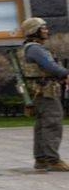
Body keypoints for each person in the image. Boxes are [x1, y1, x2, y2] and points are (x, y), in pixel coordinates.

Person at [19, 17, 69, 172]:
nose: (46, 31)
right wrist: (65, 73)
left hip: (41, 92)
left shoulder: (30, 48)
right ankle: (52, 160)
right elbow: (51, 67)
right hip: (46, 92)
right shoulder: (35, 49)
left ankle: (41, 159)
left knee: (42, 125)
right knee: (52, 123)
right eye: (43, 28)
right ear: (34, 31)